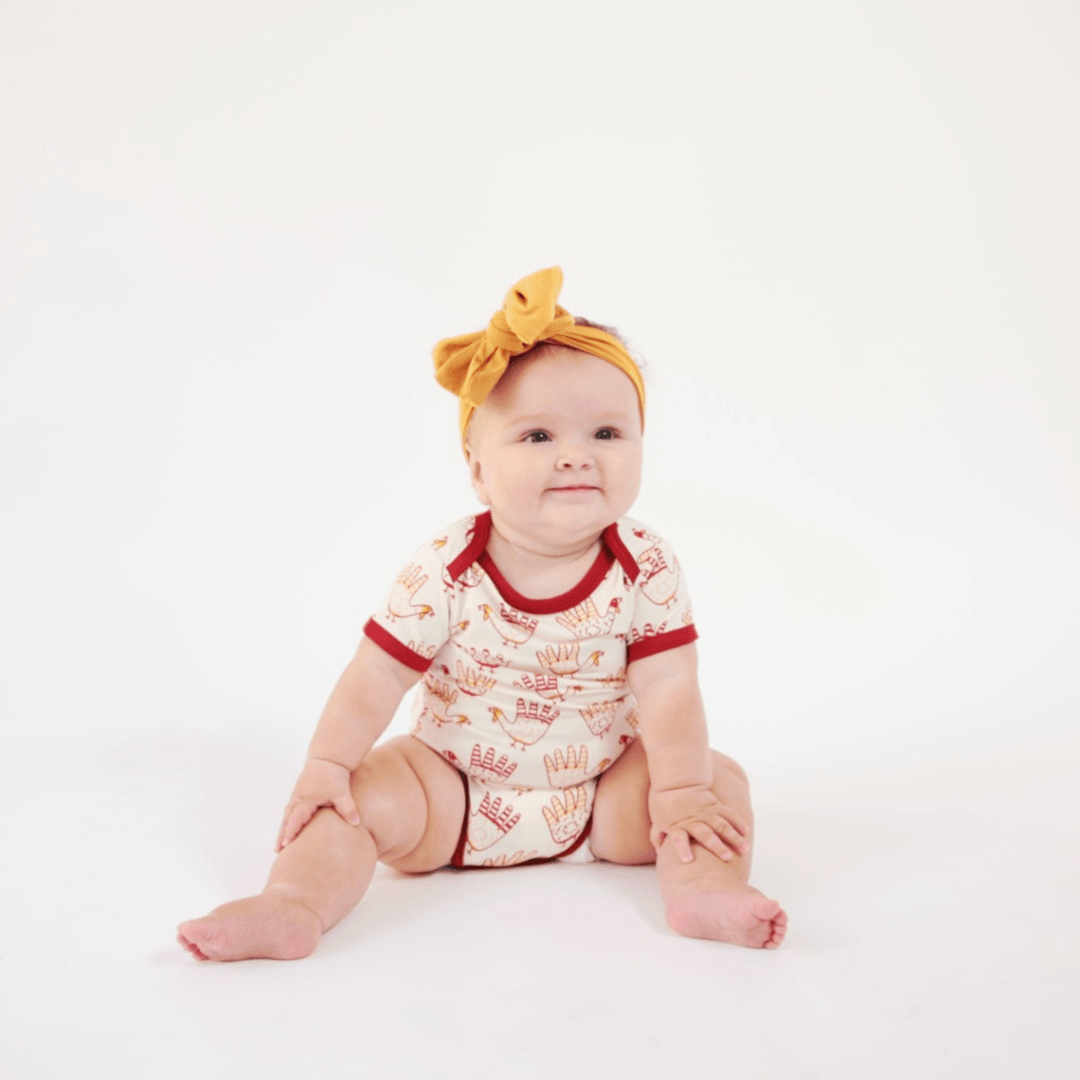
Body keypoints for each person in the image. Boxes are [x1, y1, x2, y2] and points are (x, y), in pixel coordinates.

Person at [177, 267, 788, 961]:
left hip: (604, 798)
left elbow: (670, 685)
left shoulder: (645, 562)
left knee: (716, 780)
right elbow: (377, 674)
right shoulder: (448, 566)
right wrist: (326, 763)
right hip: (450, 793)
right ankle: (293, 902)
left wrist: (677, 790)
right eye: (537, 437)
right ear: (477, 470)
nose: (576, 456)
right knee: (353, 795)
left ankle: (702, 890)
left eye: (607, 432)